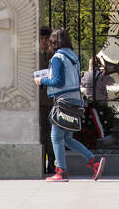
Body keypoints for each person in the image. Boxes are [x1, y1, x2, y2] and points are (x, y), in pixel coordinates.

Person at [36, 27, 105, 182]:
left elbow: (58, 82)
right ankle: (93, 161)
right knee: (67, 138)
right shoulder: (73, 57)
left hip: (64, 101)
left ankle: (61, 172)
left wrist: (41, 80)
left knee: (55, 137)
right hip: (75, 99)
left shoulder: (57, 58)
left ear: (54, 42)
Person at [37, 27, 55, 176]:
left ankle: (53, 164)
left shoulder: (54, 56)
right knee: (41, 133)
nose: (43, 42)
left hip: (51, 99)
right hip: (37, 100)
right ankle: (40, 163)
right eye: (41, 39)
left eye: (46, 39)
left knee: (52, 133)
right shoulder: (34, 56)